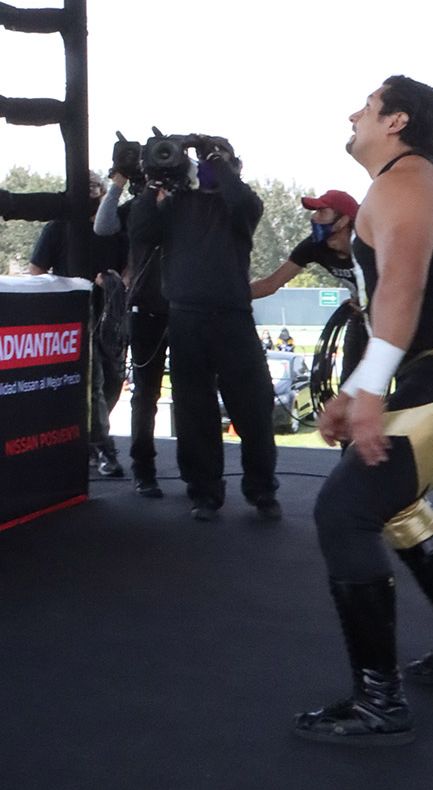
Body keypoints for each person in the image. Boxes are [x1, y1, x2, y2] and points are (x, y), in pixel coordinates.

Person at [296, 76, 433, 747]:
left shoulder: (405, 181)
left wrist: (367, 391)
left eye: (366, 105)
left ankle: (379, 702)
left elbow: (402, 290)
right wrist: (361, 387)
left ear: (395, 120)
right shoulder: (406, 182)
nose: (353, 113)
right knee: (389, 497)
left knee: (346, 509)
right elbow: (397, 301)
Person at [130, 136, 280, 521]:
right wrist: (153, 180)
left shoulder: (241, 208)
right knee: (194, 411)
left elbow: (243, 199)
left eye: (219, 164)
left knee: (254, 407)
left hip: (232, 315)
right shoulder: (177, 205)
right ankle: (205, 492)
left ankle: (261, 489)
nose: (207, 167)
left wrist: (215, 156)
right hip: (185, 316)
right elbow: (141, 230)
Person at [30, 172, 128, 479]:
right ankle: (104, 447)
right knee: (95, 383)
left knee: (114, 379)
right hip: (76, 316)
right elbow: (36, 271)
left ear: (102, 192)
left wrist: (116, 283)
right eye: (82, 188)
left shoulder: (113, 228)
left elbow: (130, 266)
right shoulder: (58, 228)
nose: (89, 193)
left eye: (94, 187)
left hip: (111, 315)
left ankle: (90, 437)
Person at [95, 148, 170, 499]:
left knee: (192, 392)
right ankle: (144, 469)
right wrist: (118, 184)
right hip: (145, 308)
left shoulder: (184, 206)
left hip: (182, 308)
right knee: (145, 395)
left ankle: (198, 469)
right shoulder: (136, 209)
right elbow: (103, 225)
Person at [252, 189, 367, 380]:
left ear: (343, 220)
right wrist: (227, 295)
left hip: (391, 315)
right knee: (350, 383)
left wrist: (373, 305)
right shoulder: (314, 246)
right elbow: (270, 284)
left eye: (321, 212)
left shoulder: (369, 242)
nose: (314, 217)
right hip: (359, 316)